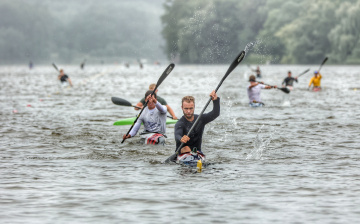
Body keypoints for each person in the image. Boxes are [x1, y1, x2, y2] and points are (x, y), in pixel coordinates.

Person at [174, 90, 220, 156]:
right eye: (186, 109)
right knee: (186, 148)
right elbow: (177, 135)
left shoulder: (201, 119)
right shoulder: (180, 123)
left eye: (191, 108)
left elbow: (215, 113)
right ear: (182, 108)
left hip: (197, 153)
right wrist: (181, 139)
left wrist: (215, 100)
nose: (189, 111)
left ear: (194, 107)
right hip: (183, 153)